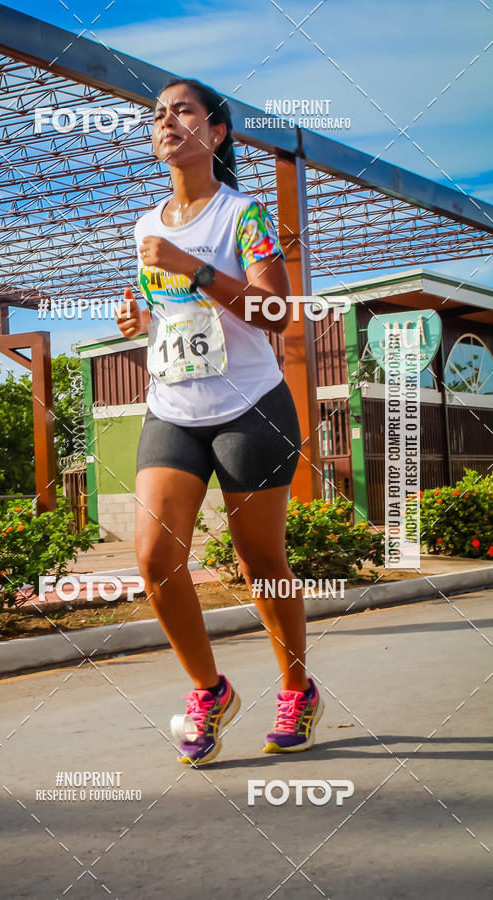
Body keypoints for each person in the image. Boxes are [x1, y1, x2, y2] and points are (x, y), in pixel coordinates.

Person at [116, 77, 323, 766]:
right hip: (173, 405)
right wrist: (137, 317)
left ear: (217, 132)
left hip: (250, 407)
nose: (166, 120)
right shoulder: (146, 227)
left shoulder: (246, 216)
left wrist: (194, 268)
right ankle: (210, 690)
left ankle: (297, 689)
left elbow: (276, 314)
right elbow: (161, 311)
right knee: (154, 559)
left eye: (183, 110)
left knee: (259, 560)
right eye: (157, 115)